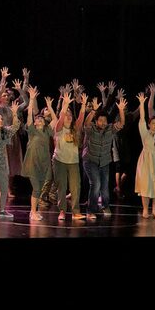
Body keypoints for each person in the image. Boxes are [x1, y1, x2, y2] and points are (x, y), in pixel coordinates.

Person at [82, 95, 127, 219]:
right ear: (96, 121)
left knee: (105, 186)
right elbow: (86, 123)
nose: (102, 123)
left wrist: (121, 110)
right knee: (95, 184)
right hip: (90, 160)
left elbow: (122, 123)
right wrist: (94, 111)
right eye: (100, 120)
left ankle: (105, 206)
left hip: (105, 162)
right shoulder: (91, 129)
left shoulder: (110, 129)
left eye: (104, 120)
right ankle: (90, 210)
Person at [22, 88, 55, 221]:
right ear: (34, 123)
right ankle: (33, 212)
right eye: (37, 119)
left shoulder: (47, 131)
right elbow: (29, 114)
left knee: (40, 188)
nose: (39, 120)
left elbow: (56, 119)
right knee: (36, 188)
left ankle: (33, 211)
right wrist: (31, 99)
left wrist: (51, 107)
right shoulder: (32, 131)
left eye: (42, 119)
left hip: (44, 163)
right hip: (32, 164)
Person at [53, 92, 87, 222]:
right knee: (61, 186)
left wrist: (83, 105)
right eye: (65, 115)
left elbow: (81, 117)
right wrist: (65, 104)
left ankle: (75, 211)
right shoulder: (59, 127)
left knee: (75, 186)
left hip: (73, 161)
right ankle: (62, 211)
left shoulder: (75, 128)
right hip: (59, 160)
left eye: (70, 115)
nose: (68, 116)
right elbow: (61, 117)